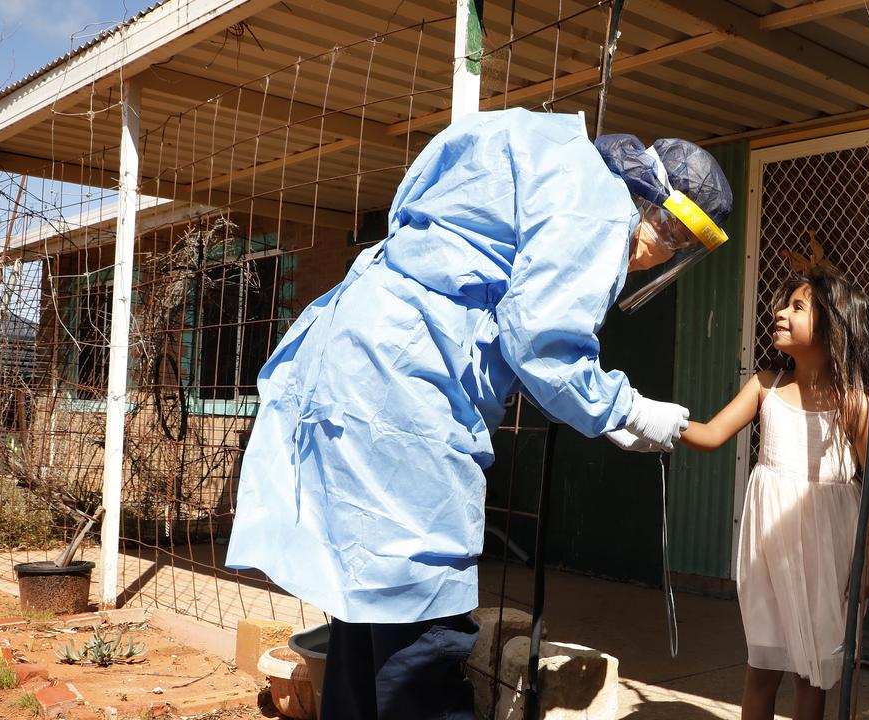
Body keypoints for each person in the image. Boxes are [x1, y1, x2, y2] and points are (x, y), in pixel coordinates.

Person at [223, 107, 733, 719]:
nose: (658, 259)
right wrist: (626, 411)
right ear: (660, 213)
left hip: (356, 353)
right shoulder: (599, 205)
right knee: (424, 626)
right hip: (407, 389)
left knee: (369, 613)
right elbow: (542, 340)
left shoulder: (545, 150)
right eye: (674, 241)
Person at [680, 266, 869, 720]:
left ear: (833, 323)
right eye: (781, 304)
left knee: (812, 674)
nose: (778, 312)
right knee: (762, 668)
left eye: (797, 306)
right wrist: (650, 418)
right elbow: (712, 434)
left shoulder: (854, 402)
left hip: (829, 549)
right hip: (770, 549)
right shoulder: (765, 386)